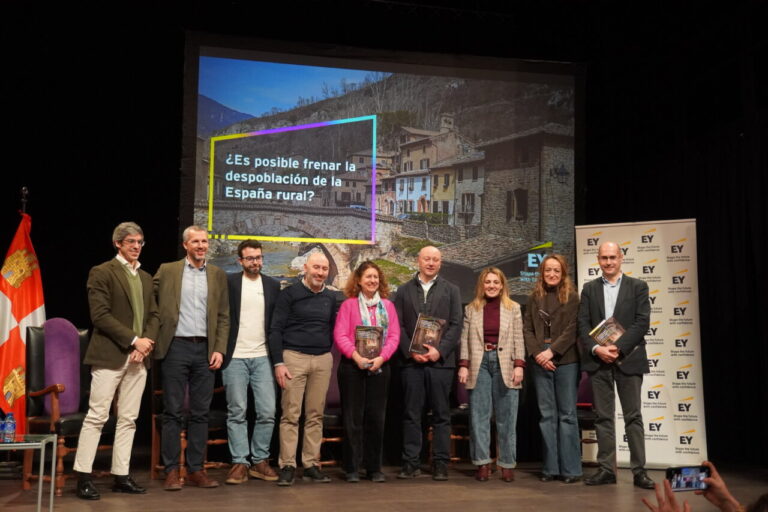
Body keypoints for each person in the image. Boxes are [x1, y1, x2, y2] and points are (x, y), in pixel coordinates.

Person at [73, 222, 158, 500]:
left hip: (139, 358)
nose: (136, 246)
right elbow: (100, 315)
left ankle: (121, 475)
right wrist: (134, 340)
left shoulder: (145, 277)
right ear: (118, 243)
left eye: (140, 242)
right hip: (110, 354)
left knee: (129, 419)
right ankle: (83, 476)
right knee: (97, 416)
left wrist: (145, 344)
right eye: (131, 241)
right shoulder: (102, 272)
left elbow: (154, 316)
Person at [153, 225, 229, 490]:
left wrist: (219, 348)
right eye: (195, 241)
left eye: (204, 241)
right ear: (185, 245)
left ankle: (196, 469)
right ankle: (172, 470)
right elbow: (150, 303)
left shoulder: (217, 274)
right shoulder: (168, 270)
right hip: (176, 347)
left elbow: (223, 315)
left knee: (200, 412)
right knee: (173, 411)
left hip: (205, 349)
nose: (201, 246)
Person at [578, 241, 654, 489]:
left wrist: (618, 348)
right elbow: (583, 324)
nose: (608, 262)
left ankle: (639, 471)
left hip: (629, 359)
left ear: (621, 258)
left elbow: (642, 322)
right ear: (598, 260)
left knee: (633, 417)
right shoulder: (589, 289)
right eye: (604, 258)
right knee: (603, 417)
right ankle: (606, 470)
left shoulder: (638, 286)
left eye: (612, 257)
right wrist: (597, 349)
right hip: (598, 361)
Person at [269, 251, 338, 486]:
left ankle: (310, 465)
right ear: (305, 268)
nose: (320, 272)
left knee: (315, 415)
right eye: (316, 267)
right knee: (291, 414)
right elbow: (275, 330)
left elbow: (331, 327)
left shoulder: (330, 297)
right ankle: (287, 465)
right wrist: (279, 362)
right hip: (293, 358)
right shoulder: (289, 294)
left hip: (322, 360)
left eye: (324, 269)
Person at [394, 246, 462, 481]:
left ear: (440, 263)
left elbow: (456, 325)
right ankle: (410, 462)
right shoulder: (403, 290)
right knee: (412, 414)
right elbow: (398, 326)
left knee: (441, 414)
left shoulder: (452, 290)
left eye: (435, 259)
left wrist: (439, 352)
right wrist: (411, 352)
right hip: (412, 363)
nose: (431, 263)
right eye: (427, 259)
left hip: (440, 363)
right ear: (418, 261)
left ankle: (440, 463)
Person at [333, 261, 400, 483]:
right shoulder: (348, 305)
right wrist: (357, 357)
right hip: (352, 367)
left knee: (376, 418)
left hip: (380, 367)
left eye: (375, 277)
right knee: (353, 419)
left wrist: (382, 358)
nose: (372, 281)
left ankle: (374, 468)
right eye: (368, 277)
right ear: (359, 281)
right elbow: (340, 335)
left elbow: (394, 337)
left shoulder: (388, 307)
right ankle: (352, 468)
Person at [458, 267, 525, 482]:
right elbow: (465, 339)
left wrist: (519, 365)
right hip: (479, 364)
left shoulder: (513, 308)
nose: (492, 286)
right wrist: (464, 364)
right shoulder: (471, 309)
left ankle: (507, 464)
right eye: (488, 282)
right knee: (479, 417)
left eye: (496, 282)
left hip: (505, 363)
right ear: (482, 285)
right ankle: (482, 463)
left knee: (507, 418)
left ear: (502, 285)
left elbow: (518, 338)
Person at [222, 240, 280, 484]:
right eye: (250, 258)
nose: (255, 262)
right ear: (240, 261)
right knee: (237, 411)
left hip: (263, 356)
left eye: (258, 257)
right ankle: (239, 462)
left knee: (267, 411)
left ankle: (260, 460)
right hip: (235, 356)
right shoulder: (230, 283)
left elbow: (276, 324)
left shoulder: (273, 285)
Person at [523, 254, 582, 483]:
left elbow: (573, 328)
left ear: (563, 273)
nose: (552, 274)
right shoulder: (533, 298)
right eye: (548, 270)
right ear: (542, 273)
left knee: (567, 415)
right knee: (547, 416)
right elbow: (527, 329)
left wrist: (552, 351)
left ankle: (571, 470)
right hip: (540, 361)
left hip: (566, 360)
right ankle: (550, 468)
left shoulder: (573, 297)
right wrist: (538, 354)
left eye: (556, 270)